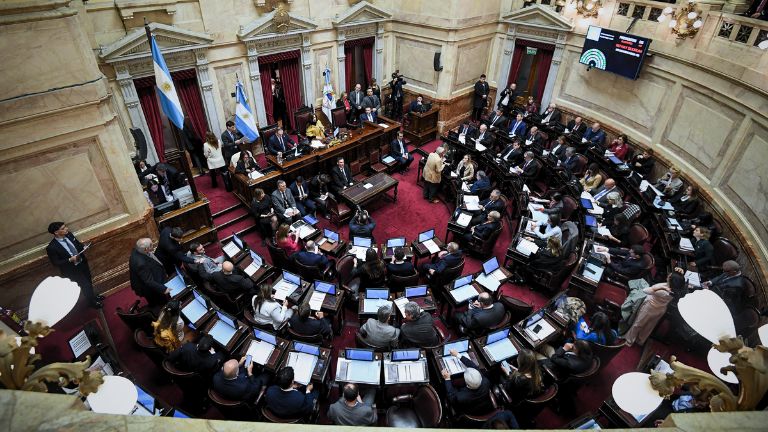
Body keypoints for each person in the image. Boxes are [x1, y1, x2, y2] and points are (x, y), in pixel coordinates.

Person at [46, 222, 103, 308]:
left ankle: (94, 297)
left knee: (89, 281)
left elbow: (77, 245)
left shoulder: (69, 235)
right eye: (63, 228)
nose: (66, 229)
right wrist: (70, 260)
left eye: (65, 227)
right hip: (73, 270)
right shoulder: (52, 247)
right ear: (56, 232)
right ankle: (92, 302)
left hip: (82, 263)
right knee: (85, 285)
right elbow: (56, 262)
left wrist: (83, 246)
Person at [623, 272, 685, 346]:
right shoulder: (675, 290)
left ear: (671, 280)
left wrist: (661, 288)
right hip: (660, 309)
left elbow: (646, 290)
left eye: (670, 275)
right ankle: (640, 340)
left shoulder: (664, 291)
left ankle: (629, 340)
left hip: (650, 307)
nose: (668, 275)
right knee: (649, 326)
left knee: (638, 324)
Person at [441, 349, 493, 415]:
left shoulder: (461, 397)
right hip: (485, 406)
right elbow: (474, 367)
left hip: (470, 413)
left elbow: (451, 396)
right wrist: (458, 355)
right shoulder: (486, 382)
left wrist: (447, 379)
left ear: (466, 383)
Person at [129, 238, 169, 310]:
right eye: (151, 245)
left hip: (145, 280)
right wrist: (164, 289)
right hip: (148, 288)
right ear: (146, 249)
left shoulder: (137, 250)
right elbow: (149, 281)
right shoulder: (141, 263)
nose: (153, 245)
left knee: (154, 301)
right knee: (161, 303)